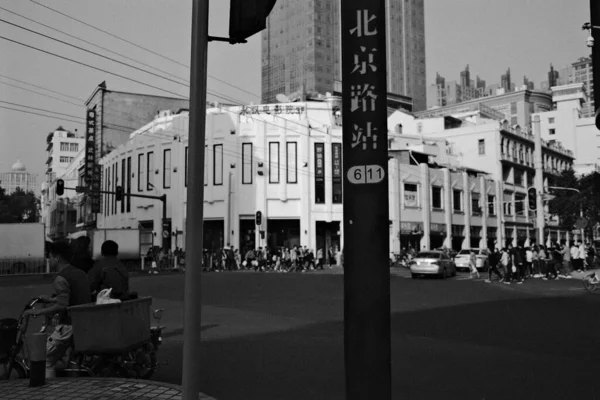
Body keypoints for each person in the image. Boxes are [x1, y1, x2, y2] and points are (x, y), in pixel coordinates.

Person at [24, 240, 91, 378]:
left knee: (46, 358)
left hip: (68, 325)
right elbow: (73, 297)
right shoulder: (80, 273)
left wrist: (37, 311)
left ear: (57, 257)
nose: (49, 259)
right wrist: (51, 299)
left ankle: (51, 393)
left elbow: (62, 305)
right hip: (83, 323)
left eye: (50, 256)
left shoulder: (60, 278)